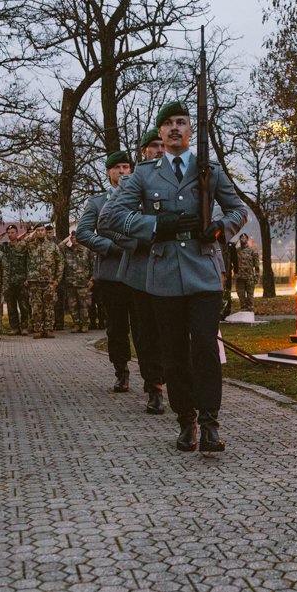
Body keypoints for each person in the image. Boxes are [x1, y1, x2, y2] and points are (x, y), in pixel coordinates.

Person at [100, 102, 248, 452]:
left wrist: (219, 228)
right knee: (174, 353)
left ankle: (210, 423)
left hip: (203, 273)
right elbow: (110, 218)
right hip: (164, 275)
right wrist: (155, 225)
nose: (175, 128)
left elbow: (239, 210)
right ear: (161, 133)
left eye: (181, 122)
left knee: (205, 349)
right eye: (168, 124)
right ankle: (186, 420)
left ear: (190, 129)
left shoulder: (208, 170)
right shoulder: (144, 175)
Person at [80, 150, 165, 413]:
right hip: (112, 274)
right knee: (116, 328)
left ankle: (152, 382)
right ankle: (121, 370)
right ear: (109, 172)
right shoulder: (97, 202)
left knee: (144, 329)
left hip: (139, 273)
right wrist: (109, 246)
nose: (122, 172)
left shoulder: (143, 198)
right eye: (117, 168)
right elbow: (83, 232)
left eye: (126, 167)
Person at [24, 224, 65, 338]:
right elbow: (18, 248)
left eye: (42, 230)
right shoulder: (30, 246)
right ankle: (38, 329)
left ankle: (48, 329)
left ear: (45, 231)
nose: (40, 232)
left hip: (49, 281)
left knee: (49, 306)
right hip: (34, 281)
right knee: (36, 307)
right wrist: (29, 237)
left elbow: (60, 262)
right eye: (38, 230)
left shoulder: (52, 246)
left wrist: (57, 280)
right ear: (35, 232)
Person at [0, 224, 30, 335]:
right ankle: (15, 328)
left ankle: (24, 327)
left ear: (17, 233)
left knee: (24, 306)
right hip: (9, 282)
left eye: (12, 232)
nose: (10, 235)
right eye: (8, 233)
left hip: (22, 281)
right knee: (11, 306)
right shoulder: (4, 247)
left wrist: (28, 278)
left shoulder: (23, 246)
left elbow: (29, 262)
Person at [62, 229, 93, 332]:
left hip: (83, 283)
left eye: (75, 238)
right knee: (72, 305)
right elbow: (57, 248)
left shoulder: (86, 250)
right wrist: (66, 239)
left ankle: (84, 324)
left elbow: (93, 266)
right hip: (70, 283)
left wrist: (92, 280)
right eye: (72, 238)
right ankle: (76, 324)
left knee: (84, 305)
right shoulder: (67, 250)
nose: (74, 239)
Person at [234, 233, 261, 312]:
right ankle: (243, 312)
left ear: (247, 239)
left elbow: (257, 266)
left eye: (244, 238)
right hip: (239, 278)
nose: (242, 239)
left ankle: (250, 312)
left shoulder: (252, 251)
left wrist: (256, 277)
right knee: (241, 297)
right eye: (241, 238)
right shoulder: (236, 251)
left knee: (250, 297)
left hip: (249, 278)